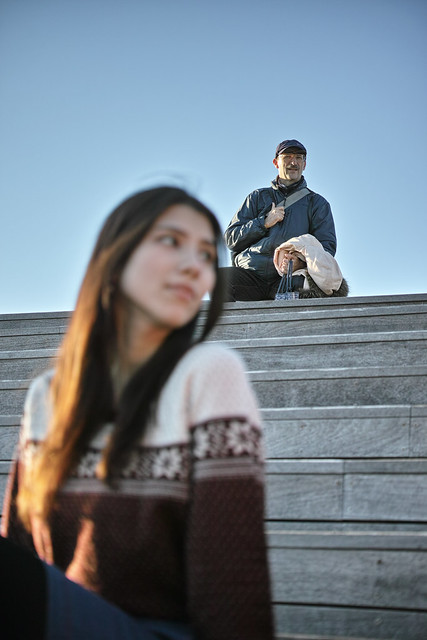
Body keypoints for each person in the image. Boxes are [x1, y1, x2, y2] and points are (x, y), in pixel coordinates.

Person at [1, 186, 274, 640]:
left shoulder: (208, 373)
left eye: (206, 255)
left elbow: (232, 586)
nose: (195, 265)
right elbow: (22, 545)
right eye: (170, 241)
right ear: (116, 255)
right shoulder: (48, 394)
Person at [223, 139, 338, 301]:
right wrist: (263, 223)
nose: (293, 162)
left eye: (299, 158)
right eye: (287, 157)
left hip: (289, 278)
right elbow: (231, 239)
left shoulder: (317, 203)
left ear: (304, 165)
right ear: (276, 162)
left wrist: (300, 261)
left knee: (304, 288)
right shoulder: (257, 197)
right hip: (251, 274)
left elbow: (326, 248)